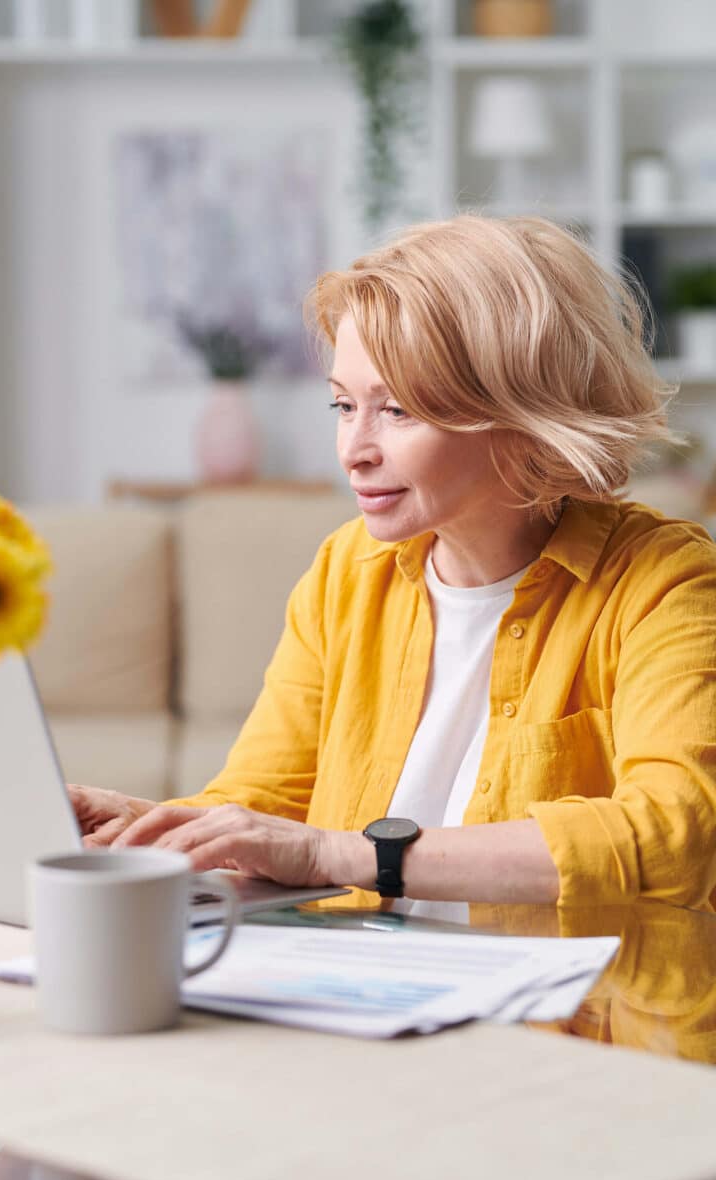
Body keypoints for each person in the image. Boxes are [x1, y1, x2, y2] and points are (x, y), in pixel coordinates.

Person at [69, 215, 716, 913]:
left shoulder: (665, 584)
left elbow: (673, 837)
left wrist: (338, 854)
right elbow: (262, 803)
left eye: (399, 409)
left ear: (521, 414)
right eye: (344, 404)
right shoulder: (346, 572)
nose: (354, 448)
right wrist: (150, 829)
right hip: (362, 996)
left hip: (567, 1019)